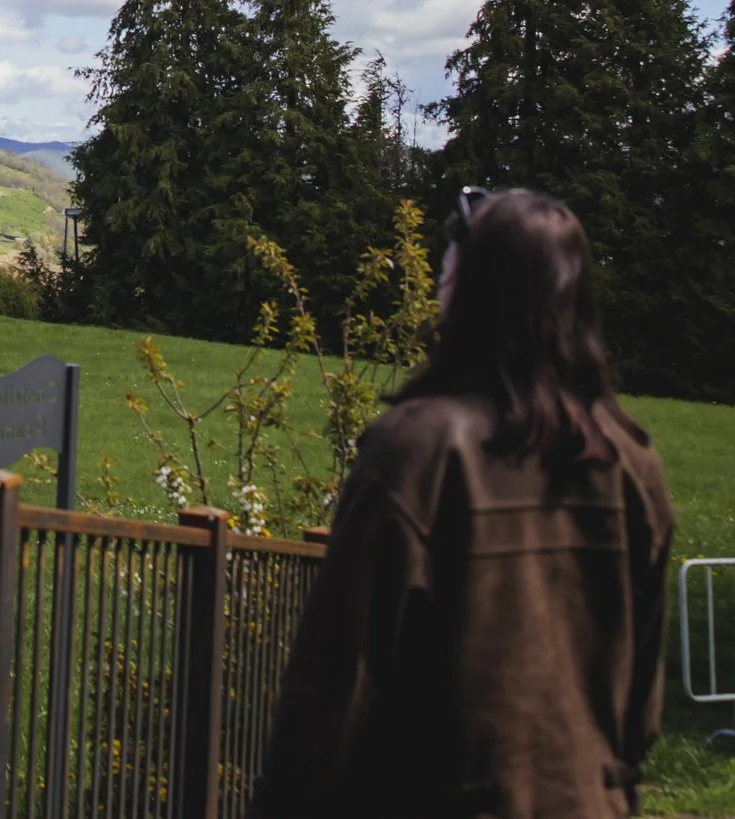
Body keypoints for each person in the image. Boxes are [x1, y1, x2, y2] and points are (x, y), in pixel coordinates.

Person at [252, 187, 675, 819]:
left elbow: (332, 693)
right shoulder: (632, 465)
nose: (441, 277)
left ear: (471, 293)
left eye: (452, 264)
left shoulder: (418, 451)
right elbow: (638, 711)